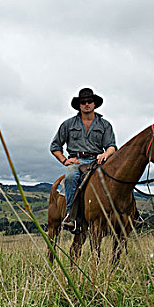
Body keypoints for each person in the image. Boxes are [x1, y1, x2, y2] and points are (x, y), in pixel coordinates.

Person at [50, 87, 117, 229]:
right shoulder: (68, 124)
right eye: (83, 102)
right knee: (70, 177)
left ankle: (131, 215)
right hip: (77, 162)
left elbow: (112, 146)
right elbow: (55, 146)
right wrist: (65, 160)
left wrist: (105, 154)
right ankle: (71, 216)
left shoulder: (105, 125)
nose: (87, 104)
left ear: (94, 104)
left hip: (97, 161)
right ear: (79, 105)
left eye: (90, 101)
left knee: (119, 176)